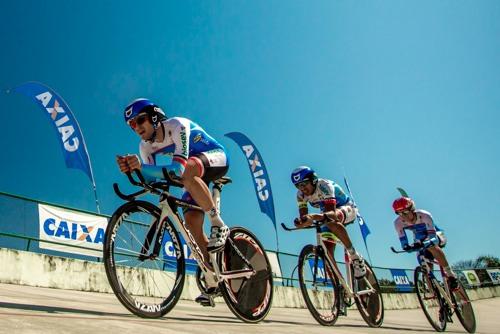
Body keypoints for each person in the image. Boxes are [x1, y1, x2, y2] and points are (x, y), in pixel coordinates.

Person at [116, 98, 230, 305]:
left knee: (187, 171)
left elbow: (178, 169)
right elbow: (152, 180)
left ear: (153, 116)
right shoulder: (145, 147)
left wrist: (141, 167)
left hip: (214, 157)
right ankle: (214, 279)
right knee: (192, 223)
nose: (136, 128)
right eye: (131, 125)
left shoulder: (177, 125)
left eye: (139, 120)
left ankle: (218, 223)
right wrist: (133, 169)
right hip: (193, 174)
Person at [291, 166, 366, 279]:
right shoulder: (300, 195)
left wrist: (314, 217)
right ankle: (339, 285)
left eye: (304, 183)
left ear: (313, 179)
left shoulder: (324, 186)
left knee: (331, 222)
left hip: (346, 208)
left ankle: (354, 255)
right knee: (327, 254)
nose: (302, 188)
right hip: (326, 213)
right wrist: (301, 222)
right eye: (298, 185)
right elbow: (305, 217)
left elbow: (332, 215)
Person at [392, 196, 458, 289]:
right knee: (423, 264)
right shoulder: (398, 222)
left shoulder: (424, 215)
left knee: (431, 246)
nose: (403, 216)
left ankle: (450, 274)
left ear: (412, 209)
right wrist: (407, 247)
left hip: (436, 235)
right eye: (399, 213)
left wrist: (426, 243)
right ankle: (435, 290)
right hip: (421, 239)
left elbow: (433, 238)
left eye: (406, 212)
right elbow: (403, 240)